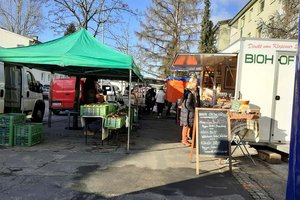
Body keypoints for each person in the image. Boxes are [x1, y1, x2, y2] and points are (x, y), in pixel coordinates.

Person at [180, 77, 197, 146]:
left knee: (186, 126)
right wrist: (193, 110)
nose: (196, 84)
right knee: (186, 126)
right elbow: (187, 104)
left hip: (186, 112)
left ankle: (185, 139)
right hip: (187, 113)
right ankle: (184, 140)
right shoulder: (190, 93)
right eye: (196, 83)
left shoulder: (187, 91)